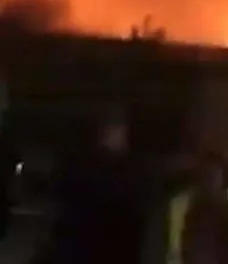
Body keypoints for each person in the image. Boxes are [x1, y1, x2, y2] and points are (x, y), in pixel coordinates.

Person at [36, 110, 147, 264]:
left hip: (102, 244)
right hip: (91, 244)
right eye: (117, 131)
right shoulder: (89, 168)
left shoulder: (126, 170)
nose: (121, 137)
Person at [143, 152, 228, 264]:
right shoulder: (176, 206)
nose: (210, 181)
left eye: (213, 176)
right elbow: (154, 248)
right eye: (206, 175)